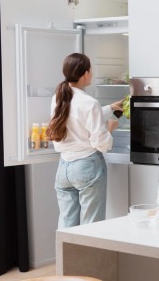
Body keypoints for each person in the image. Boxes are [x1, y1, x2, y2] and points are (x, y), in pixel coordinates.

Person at [47, 53, 123, 229]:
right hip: (87, 166)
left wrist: (110, 108)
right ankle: (92, 258)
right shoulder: (90, 102)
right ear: (86, 73)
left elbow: (76, 117)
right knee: (91, 227)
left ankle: (66, 257)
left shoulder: (59, 98)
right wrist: (110, 127)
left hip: (64, 169)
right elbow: (102, 143)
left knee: (67, 225)